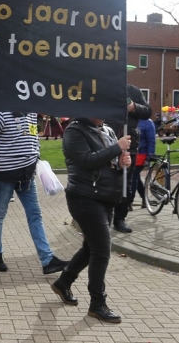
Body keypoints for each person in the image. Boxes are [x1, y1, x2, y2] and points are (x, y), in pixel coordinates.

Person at [0, 112, 67, 275]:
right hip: (5, 177)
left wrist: (36, 157)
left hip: (27, 177)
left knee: (35, 216)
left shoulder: (30, 112)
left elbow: (32, 137)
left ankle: (47, 259)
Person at [49, 116, 132, 324]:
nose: (105, 113)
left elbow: (108, 162)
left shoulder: (107, 130)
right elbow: (86, 160)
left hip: (106, 196)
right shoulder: (74, 131)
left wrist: (122, 162)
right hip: (85, 197)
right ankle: (97, 303)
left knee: (91, 247)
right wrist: (117, 148)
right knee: (102, 250)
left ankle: (64, 281)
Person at [111, 70, 152, 233]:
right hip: (108, 142)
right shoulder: (104, 89)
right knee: (107, 181)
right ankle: (103, 216)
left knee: (126, 184)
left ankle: (120, 218)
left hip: (130, 144)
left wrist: (133, 107)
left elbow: (147, 111)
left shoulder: (133, 91)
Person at [134, 115, 157, 209]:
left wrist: (149, 156)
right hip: (132, 153)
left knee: (133, 176)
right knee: (135, 177)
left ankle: (128, 201)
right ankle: (144, 198)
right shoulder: (131, 119)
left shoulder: (147, 122)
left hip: (141, 154)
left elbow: (151, 140)